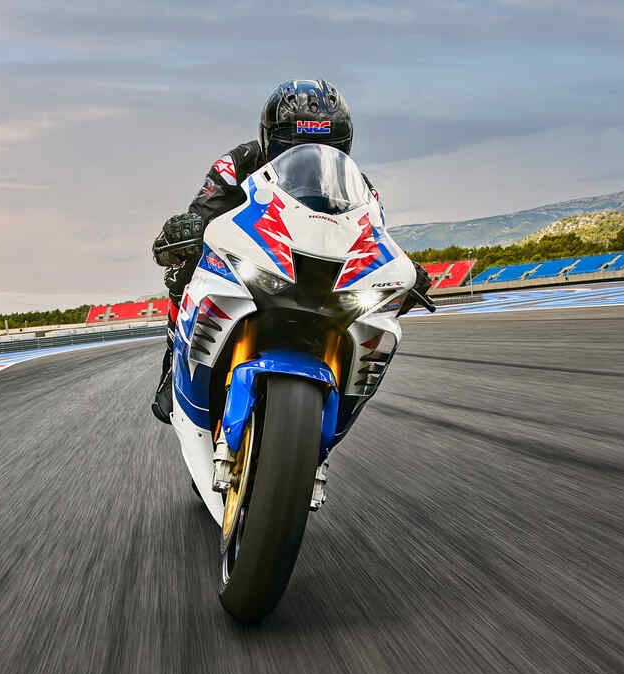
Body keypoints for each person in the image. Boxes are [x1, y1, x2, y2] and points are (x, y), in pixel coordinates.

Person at [151, 79, 431, 423]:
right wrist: (186, 230)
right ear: (269, 140)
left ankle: (339, 399)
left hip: (323, 276)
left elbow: (373, 235)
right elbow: (204, 210)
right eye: (291, 145)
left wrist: (405, 271)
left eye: (328, 146)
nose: (307, 155)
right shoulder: (237, 163)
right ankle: (172, 361)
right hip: (258, 258)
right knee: (186, 265)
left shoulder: (360, 187)